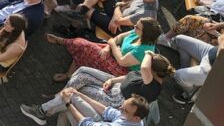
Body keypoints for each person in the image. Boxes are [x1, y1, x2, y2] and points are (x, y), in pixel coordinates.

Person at [21, 52, 173, 125]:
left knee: (74, 96)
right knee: (82, 72)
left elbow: (144, 67)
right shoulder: (148, 76)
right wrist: (112, 79)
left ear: (153, 71)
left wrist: (148, 54)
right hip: (115, 87)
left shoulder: (153, 85)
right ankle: (58, 98)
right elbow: (130, 77)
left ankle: (43, 110)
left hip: (115, 99)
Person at [46, 17, 162, 82]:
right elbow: (120, 37)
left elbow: (122, 61)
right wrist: (108, 46)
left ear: (145, 33)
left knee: (87, 47)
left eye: (137, 27)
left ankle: (62, 42)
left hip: (120, 70)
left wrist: (111, 44)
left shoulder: (144, 50)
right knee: (87, 46)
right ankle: (70, 71)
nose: (134, 27)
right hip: (114, 52)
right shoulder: (138, 33)